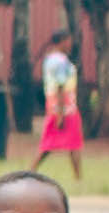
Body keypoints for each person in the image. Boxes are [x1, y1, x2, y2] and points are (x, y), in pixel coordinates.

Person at [32, 38, 86, 179]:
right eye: (68, 41)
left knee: (48, 144)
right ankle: (78, 177)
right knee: (73, 144)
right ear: (60, 41)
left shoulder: (49, 59)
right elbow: (61, 86)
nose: (70, 44)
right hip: (65, 107)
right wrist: (61, 113)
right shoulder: (61, 61)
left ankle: (31, 171)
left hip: (54, 105)